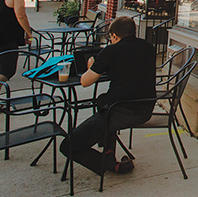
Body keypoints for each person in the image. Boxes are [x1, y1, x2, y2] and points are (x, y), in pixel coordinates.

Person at [60, 16, 156, 176]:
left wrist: (92, 67)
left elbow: (85, 81)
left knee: (67, 146)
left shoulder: (110, 51)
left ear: (114, 36)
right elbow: (130, 68)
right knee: (102, 100)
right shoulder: (148, 47)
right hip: (146, 109)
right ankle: (108, 151)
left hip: (119, 111)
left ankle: (111, 165)